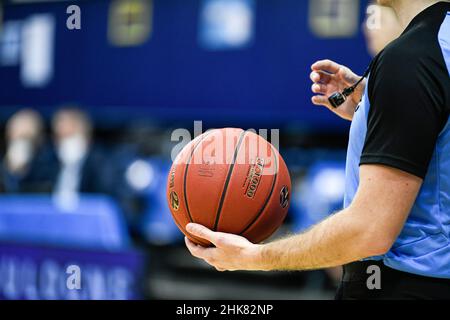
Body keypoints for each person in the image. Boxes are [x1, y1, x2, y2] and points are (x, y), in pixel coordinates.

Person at [184, 0, 450, 299]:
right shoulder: (439, 47)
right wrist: (372, 109)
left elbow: (368, 231)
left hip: (400, 287)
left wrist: (253, 257)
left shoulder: (412, 57)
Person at [52, 108, 108, 198]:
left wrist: (75, 166)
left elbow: (104, 194)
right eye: (59, 137)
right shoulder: (49, 160)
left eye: (70, 136)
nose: (65, 143)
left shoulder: (100, 161)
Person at [1, 109, 55, 193]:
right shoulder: (3, 163)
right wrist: (9, 169)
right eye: (18, 136)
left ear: (40, 138)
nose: (21, 143)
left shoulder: (50, 164)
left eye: (27, 137)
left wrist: (25, 169)